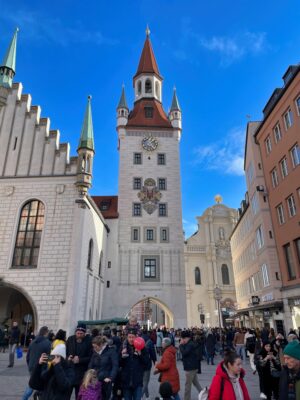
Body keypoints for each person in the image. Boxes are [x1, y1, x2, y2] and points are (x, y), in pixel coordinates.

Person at [120, 328, 151, 400]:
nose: (131, 339)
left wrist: (140, 354)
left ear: (136, 337)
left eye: (133, 337)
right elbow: (119, 364)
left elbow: (147, 363)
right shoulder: (123, 347)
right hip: (126, 381)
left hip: (137, 381)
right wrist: (121, 356)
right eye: (129, 337)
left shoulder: (142, 348)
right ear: (127, 337)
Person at [22, 326, 51, 400]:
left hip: (32, 367)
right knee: (39, 387)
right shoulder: (47, 343)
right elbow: (48, 358)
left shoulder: (33, 342)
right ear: (46, 333)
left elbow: (27, 356)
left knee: (32, 384)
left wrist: (30, 365)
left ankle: (24, 398)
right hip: (41, 368)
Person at [66, 324, 93, 399]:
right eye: (78, 333)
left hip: (81, 374)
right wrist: (68, 358)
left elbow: (91, 357)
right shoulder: (70, 339)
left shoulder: (89, 341)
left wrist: (80, 360)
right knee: (66, 395)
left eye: (81, 334)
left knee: (79, 396)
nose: (79, 335)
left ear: (85, 333)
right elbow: (65, 353)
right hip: (69, 372)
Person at [89, 335, 119, 400]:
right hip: (95, 380)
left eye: (95, 347)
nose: (94, 349)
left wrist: (110, 378)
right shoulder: (95, 353)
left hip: (106, 381)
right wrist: (89, 375)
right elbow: (91, 365)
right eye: (93, 347)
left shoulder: (111, 351)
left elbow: (115, 366)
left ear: (101, 345)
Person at [179, 331, 202, 400]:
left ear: (185, 338)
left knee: (187, 386)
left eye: (182, 339)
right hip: (193, 366)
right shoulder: (190, 343)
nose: (182, 340)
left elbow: (184, 353)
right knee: (196, 384)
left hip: (190, 368)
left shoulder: (190, 344)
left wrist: (181, 345)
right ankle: (205, 395)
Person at [141, 329, 157, 400]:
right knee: (146, 381)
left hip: (140, 363)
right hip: (147, 363)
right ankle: (139, 396)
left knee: (143, 381)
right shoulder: (149, 341)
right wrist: (155, 362)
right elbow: (153, 353)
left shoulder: (139, 339)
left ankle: (147, 396)